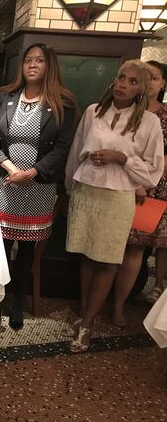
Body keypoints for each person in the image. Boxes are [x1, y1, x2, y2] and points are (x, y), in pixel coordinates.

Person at [64, 59, 164, 353]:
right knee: (87, 256)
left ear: (142, 89)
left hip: (118, 196)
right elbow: (75, 151)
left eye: (133, 81)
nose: (123, 84)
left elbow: (153, 171)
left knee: (107, 260)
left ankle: (87, 324)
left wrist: (120, 158)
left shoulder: (149, 122)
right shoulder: (94, 111)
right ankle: (84, 312)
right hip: (87, 190)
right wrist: (69, 188)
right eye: (121, 77)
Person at [0, 43, 77, 331]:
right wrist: (10, 167)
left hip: (38, 187)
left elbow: (63, 148)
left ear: (50, 65)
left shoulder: (64, 103)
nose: (32, 65)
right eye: (27, 60)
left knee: (25, 251)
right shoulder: (4, 97)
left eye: (39, 60)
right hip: (5, 183)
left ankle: (16, 303)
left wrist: (33, 172)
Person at [114, 61, 167, 323]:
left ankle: (119, 305)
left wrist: (144, 182)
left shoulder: (163, 115)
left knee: (135, 249)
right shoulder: (124, 109)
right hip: (118, 183)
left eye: (155, 78)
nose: (150, 83)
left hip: (152, 190)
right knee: (114, 244)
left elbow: (159, 159)